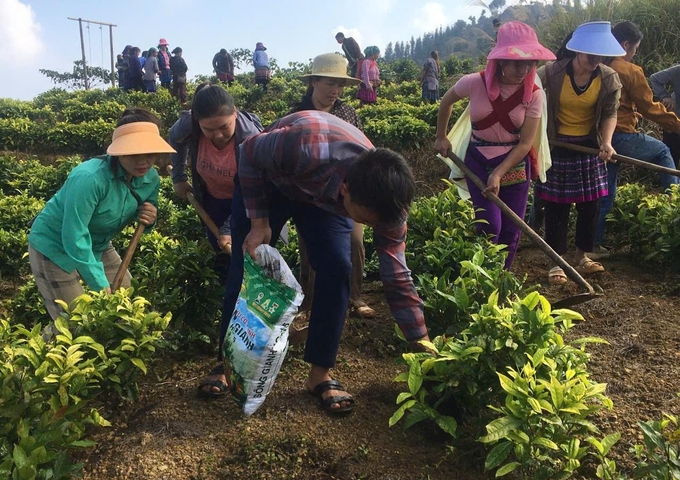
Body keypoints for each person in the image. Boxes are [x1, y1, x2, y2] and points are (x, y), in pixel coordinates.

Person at [212, 110, 429, 414]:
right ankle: (226, 362)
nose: (369, 226)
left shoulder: (389, 207)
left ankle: (319, 375)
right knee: (245, 264)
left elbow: (396, 275)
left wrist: (421, 342)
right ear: (346, 191)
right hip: (271, 180)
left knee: (339, 269)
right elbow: (247, 152)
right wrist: (259, 221)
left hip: (323, 200)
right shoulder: (303, 145)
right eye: (364, 220)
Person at [27, 109, 175, 320]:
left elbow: (147, 213)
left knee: (127, 304)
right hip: (55, 245)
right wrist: (99, 283)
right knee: (74, 320)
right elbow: (75, 235)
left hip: (98, 243)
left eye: (149, 153)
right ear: (119, 151)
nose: (143, 161)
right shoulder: (89, 178)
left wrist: (150, 218)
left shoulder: (151, 179)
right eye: (134, 153)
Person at [434, 21, 556, 270]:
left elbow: (524, 144)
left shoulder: (534, 94)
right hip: (478, 160)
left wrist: (500, 172)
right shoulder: (474, 82)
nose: (523, 70)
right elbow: (446, 102)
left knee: (512, 230)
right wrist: (441, 136)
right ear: (500, 61)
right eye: (516, 62)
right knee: (490, 226)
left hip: (514, 163)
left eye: (529, 63)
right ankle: (484, 277)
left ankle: (502, 279)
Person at [534, 21, 623, 284]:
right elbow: (528, 93)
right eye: (590, 55)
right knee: (555, 208)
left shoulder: (608, 78)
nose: (596, 60)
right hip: (558, 146)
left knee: (590, 206)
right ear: (577, 52)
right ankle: (556, 262)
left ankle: (582, 255)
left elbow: (609, 113)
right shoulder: (550, 73)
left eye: (600, 56)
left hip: (587, 147)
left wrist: (606, 142)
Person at [287, 53, 375, 319]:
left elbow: (362, 152)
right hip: (309, 194)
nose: (335, 91)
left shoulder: (348, 112)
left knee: (355, 242)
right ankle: (309, 303)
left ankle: (355, 297)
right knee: (310, 249)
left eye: (339, 85)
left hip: (345, 192)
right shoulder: (297, 113)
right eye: (329, 84)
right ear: (313, 82)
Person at [591, 21, 680, 258]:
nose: (635, 53)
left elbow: (616, 103)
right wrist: (677, 125)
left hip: (598, 139)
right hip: (620, 136)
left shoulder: (596, 64)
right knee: (662, 152)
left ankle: (592, 244)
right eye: (635, 47)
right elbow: (651, 109)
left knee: (606, 191)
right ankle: (674, 204)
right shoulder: (631, 70)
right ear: (626, 44)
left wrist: (632, 112)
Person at [169, 84, 263, 254]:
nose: (218, 135)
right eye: (209, 130)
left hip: (249, 204)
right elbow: (174, 137)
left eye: (224, 127)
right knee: (217, 247)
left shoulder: (251, 140)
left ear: (234, 112)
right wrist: (179, 177)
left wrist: (229, 227)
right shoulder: (189, 125)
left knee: (247, 254)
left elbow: (256, 190)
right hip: (213, 199)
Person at [650, 62, 680, 173]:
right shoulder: (677, 71)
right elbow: (655, 78)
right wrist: (664, 96)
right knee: (672, 157)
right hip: (674, 121)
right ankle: (671, 187)